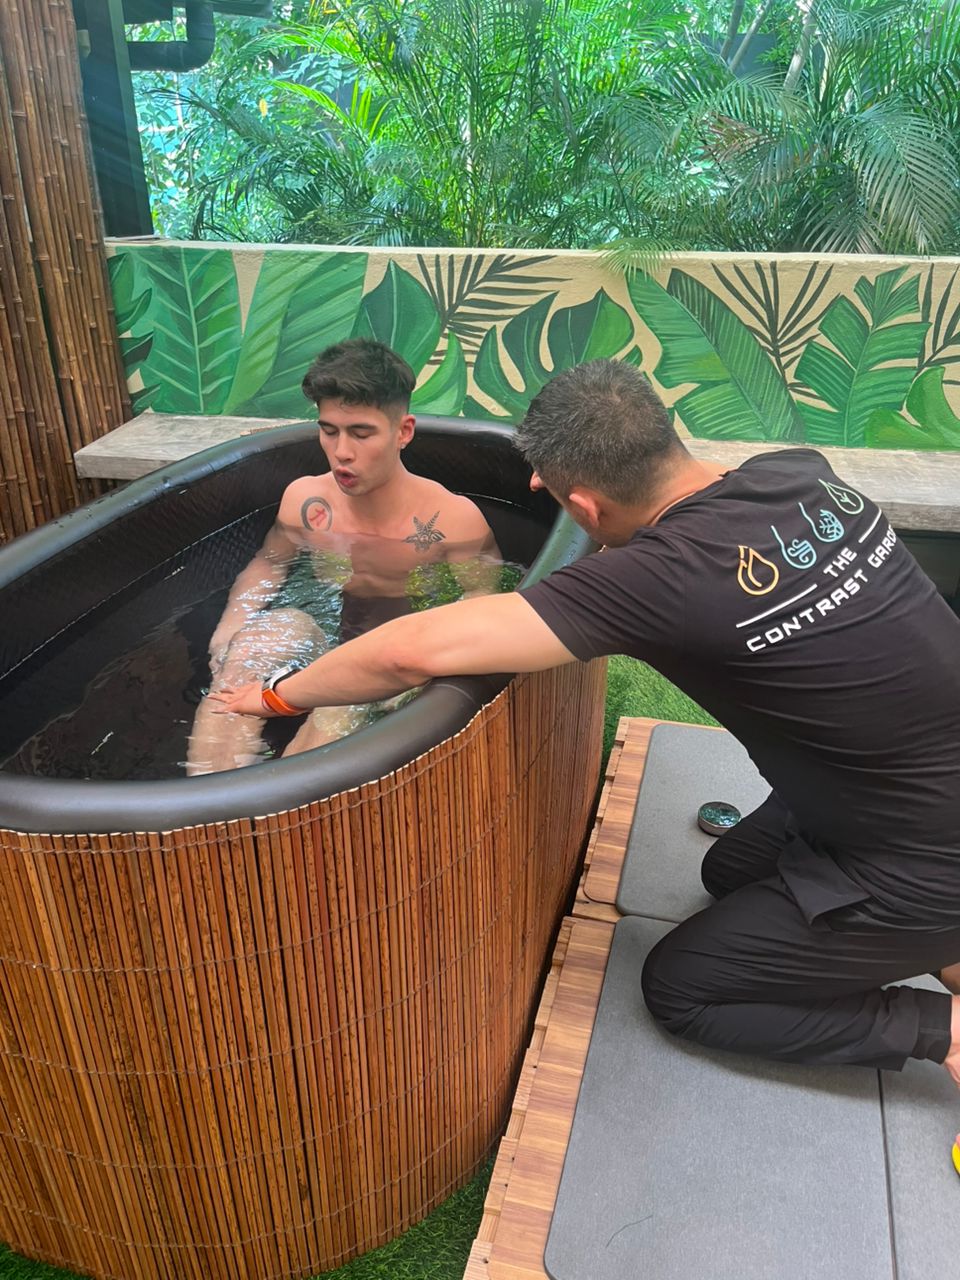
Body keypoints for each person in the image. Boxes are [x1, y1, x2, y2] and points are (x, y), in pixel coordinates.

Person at [211, 357, 960, 1111]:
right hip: (893, 798)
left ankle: (943, 1027)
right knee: (730, 872)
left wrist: (275, 696)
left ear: (584, 506)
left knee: (680, 988)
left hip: (920, 864)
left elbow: (409, 651)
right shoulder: (798, 473)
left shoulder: (654, 583)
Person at [187, 337, 498, 774]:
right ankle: (208, 812)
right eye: (329, 430)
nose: (341, 452)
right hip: (319, 626)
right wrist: (232, 627)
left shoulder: (453, 519)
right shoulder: (304, 499)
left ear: (403, 432)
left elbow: (483, 605)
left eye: (361, 433)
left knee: (342, 705)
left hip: (392, 647)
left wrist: (420, 673)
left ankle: (276, 819)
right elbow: (270, 564)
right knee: (253, 651)